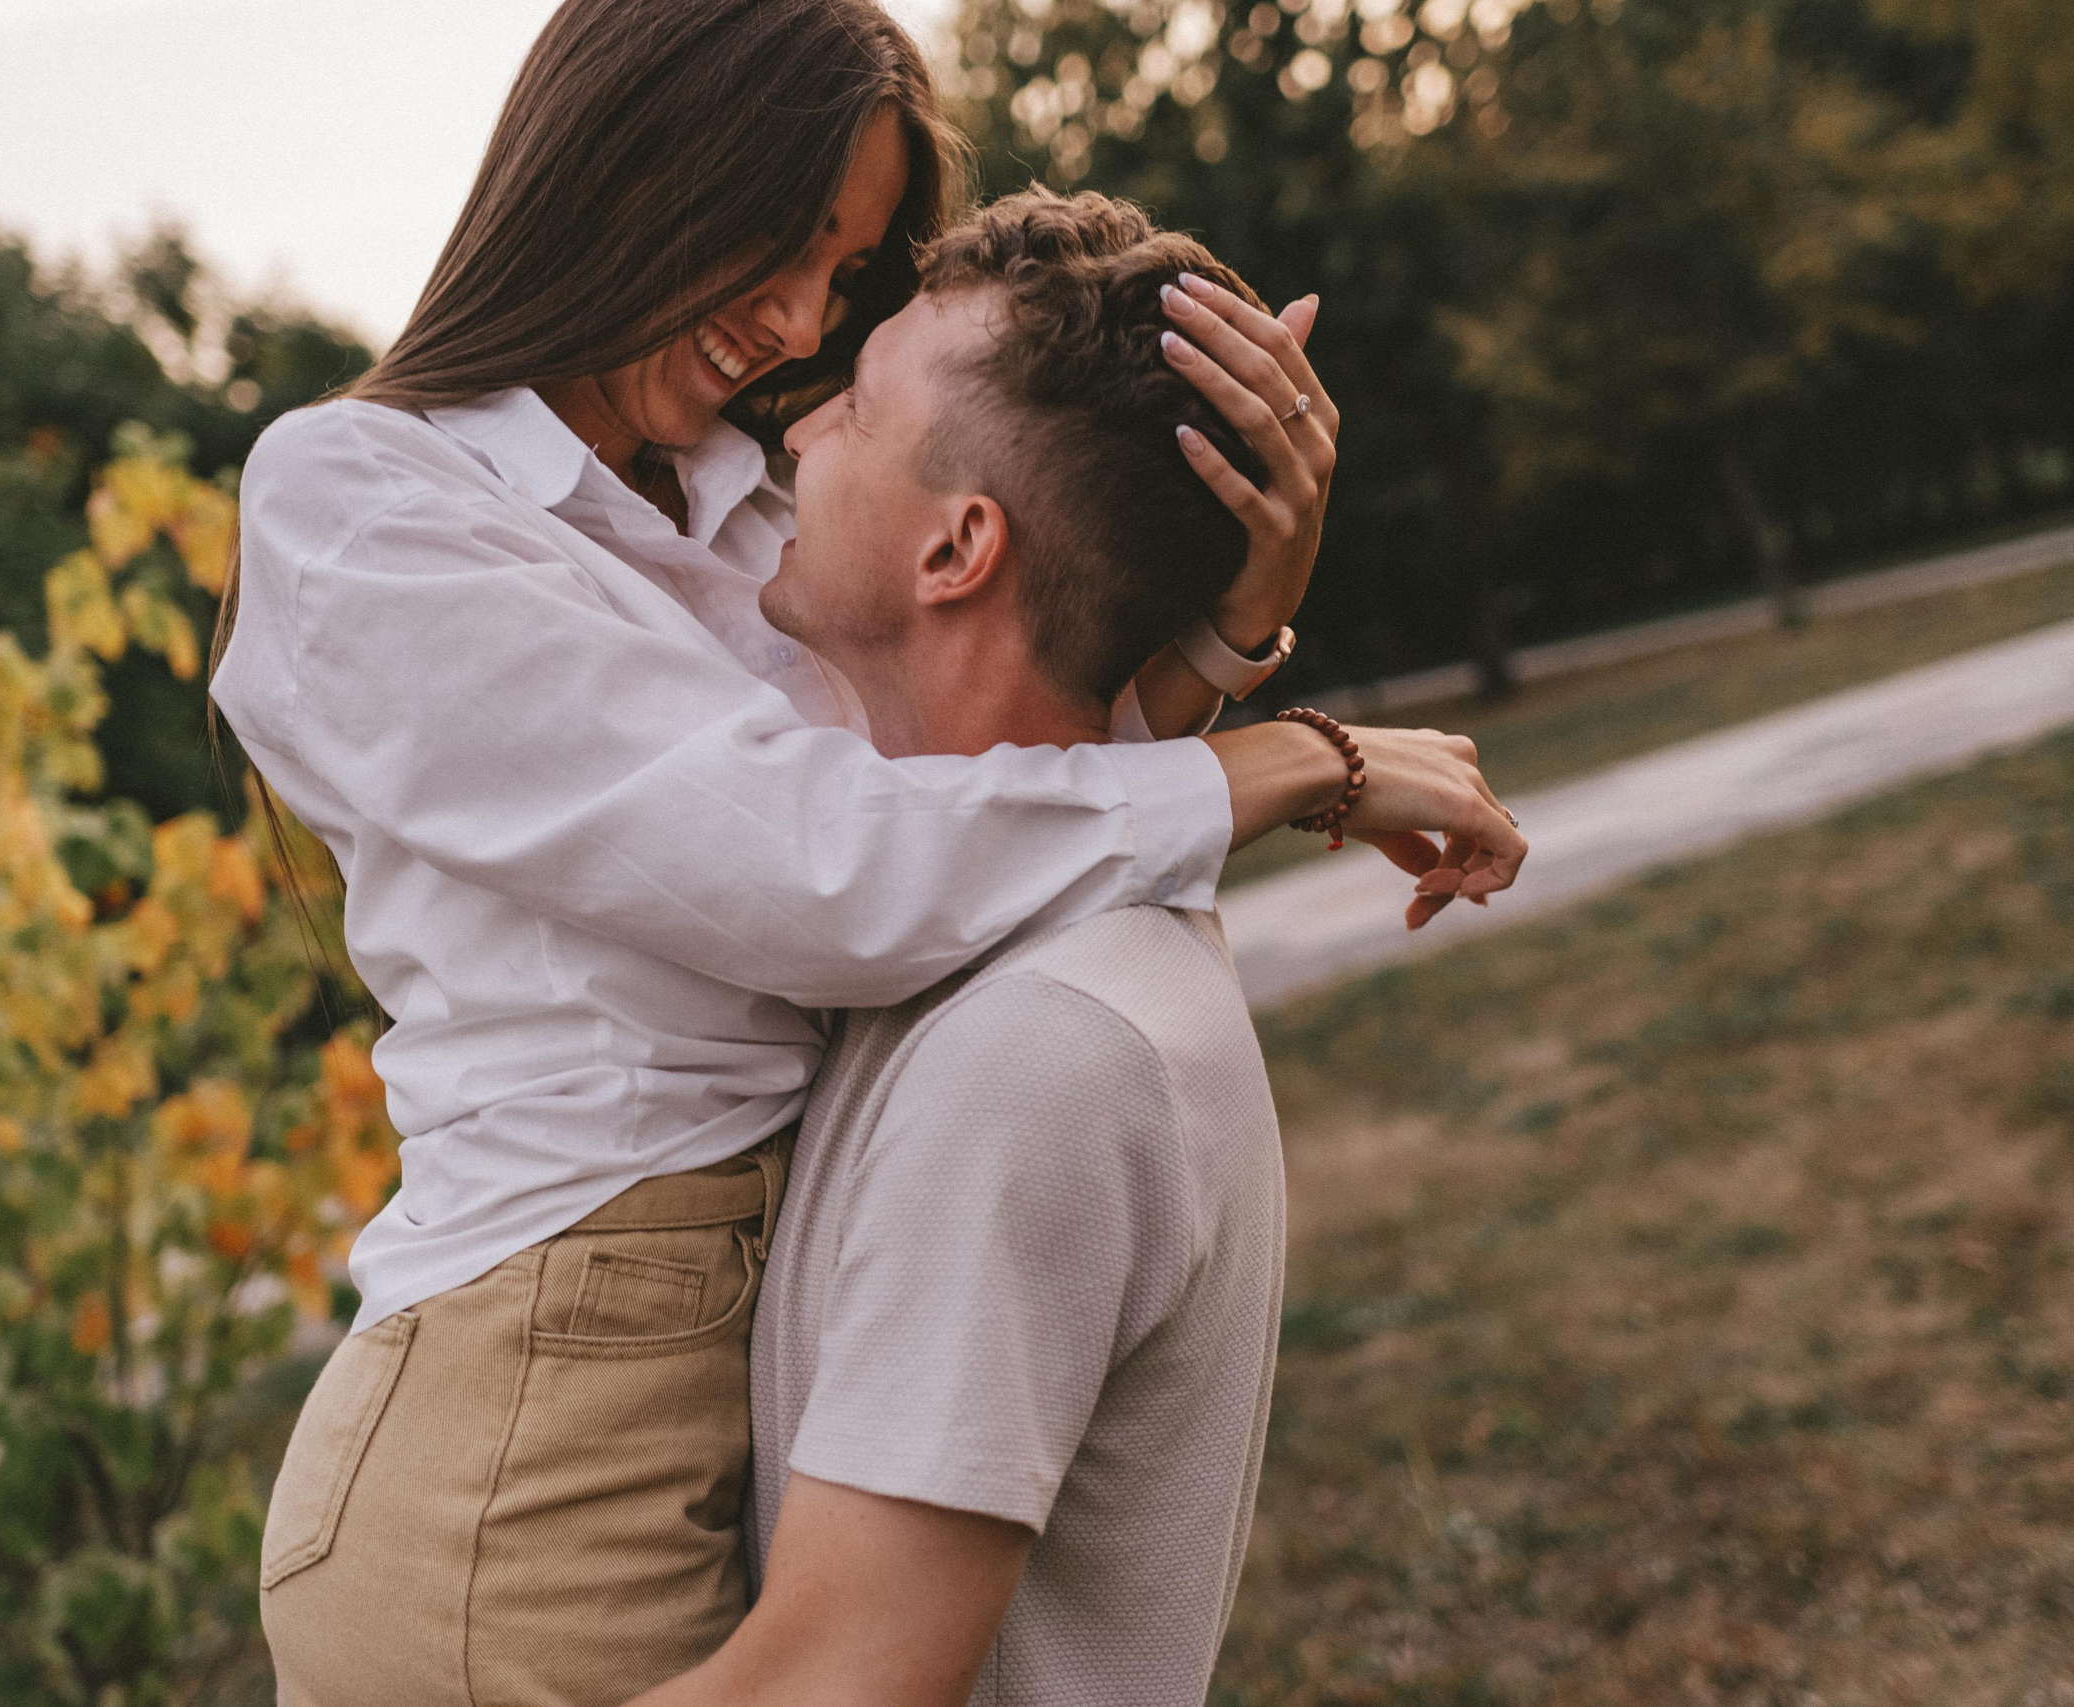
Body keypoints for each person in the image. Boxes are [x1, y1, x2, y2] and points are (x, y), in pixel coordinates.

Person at [219, 4, 1523, 1702]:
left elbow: (959, 798)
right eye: (773, 245)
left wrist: (1218, 639)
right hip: (538, 1405)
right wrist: (1283, 769)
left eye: (842, 279)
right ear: (623, 164)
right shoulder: (370, 503)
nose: (797, 328)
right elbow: (817, 872)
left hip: (697, 1351)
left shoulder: (738, 509)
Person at [634, 188, 1306, 1707]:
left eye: (857, 409)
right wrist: (1233, 631)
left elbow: (833, 1684)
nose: (793, 437)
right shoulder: (951, 944)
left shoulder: (1043, 1051)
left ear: (957, 550)